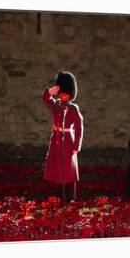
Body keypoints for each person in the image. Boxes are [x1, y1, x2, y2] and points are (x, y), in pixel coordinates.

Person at [42, 71, 84, 202]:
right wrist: (50, 92)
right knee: (57, 171)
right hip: (56, 141)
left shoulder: (73, 108)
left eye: (66, 93)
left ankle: (70, 197)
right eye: (62, 93)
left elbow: (79, 127)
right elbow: (46, 99)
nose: (63, 96)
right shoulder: (57, 105)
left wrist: (77, 145)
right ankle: (58, 196)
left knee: (69, 172)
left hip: (68, 143)